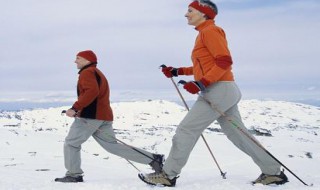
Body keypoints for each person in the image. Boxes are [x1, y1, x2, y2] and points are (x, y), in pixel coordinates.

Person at [138, 0, 288, 187]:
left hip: (219, 89)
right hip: (224, 89)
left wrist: (202, 83)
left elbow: (224, 61)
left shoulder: (210, 31)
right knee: (238, 134)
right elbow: (204, 66)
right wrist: (178, 71)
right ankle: (273, 172)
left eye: (190, 10)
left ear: (203, 13)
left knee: (187, 129)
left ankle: (167, 175)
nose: (186, 14)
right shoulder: (203, 33)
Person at [55, 50, 164, 183]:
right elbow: (96, 95)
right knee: (112, 146)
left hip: (90, 117)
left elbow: (92, 92)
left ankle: (74, 174)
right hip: (102, 116)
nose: (75, 61)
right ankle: (153, 159)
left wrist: (75, 108)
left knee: (71, 143)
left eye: (78, 58)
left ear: (87, 60)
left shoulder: (87, 72)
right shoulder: (97, 72)